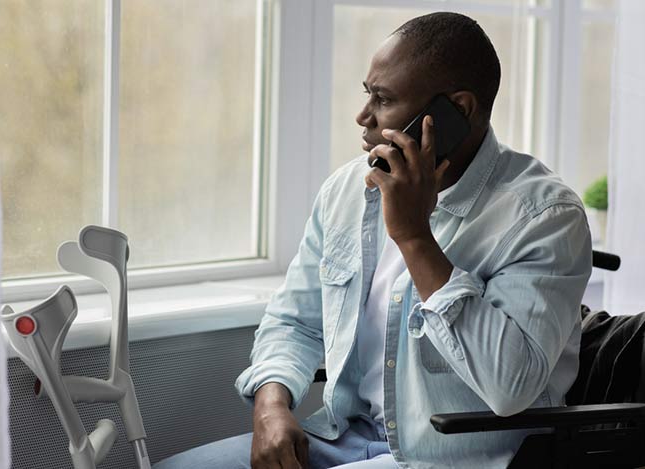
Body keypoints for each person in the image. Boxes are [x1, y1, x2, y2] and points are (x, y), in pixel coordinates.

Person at [155, 11, 591, 469]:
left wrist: (414, 236)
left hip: (456, 457)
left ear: (456, 111)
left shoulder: (545, 216)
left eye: (383, 99)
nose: (362, 116)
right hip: (346, 436)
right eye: (368, 94)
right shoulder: (348, 191)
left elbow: (509, 386)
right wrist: (271, 406)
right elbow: (294, 321)